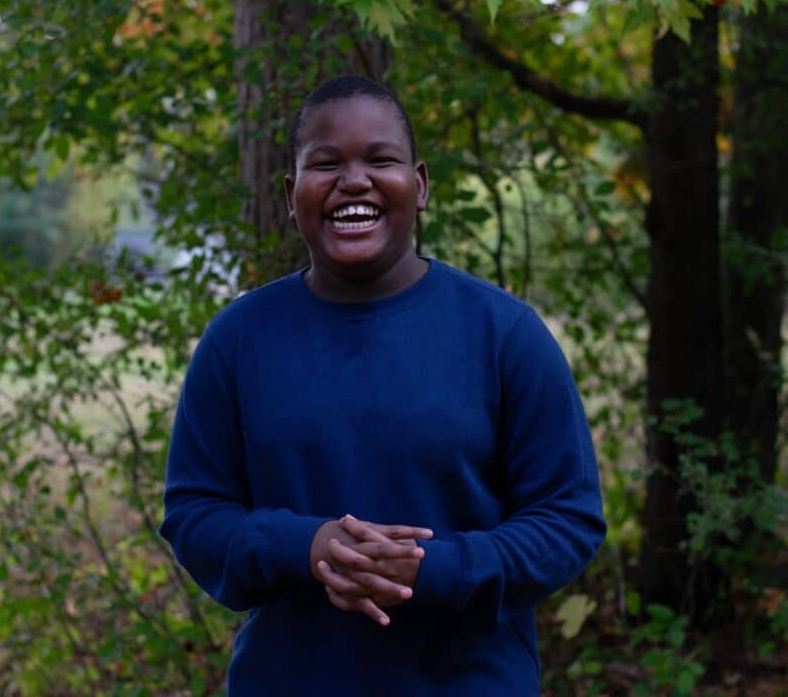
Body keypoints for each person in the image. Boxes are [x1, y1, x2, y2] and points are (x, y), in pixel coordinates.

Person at [159, 74, 606, 696]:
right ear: (291, 194)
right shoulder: (238, 339)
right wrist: (306, 546)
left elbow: (568, 519)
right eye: (325, 164)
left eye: (380, 159)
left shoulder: (503, 333)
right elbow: (193, 515)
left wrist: (431, 568)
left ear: (419, 186)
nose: (354, 180)